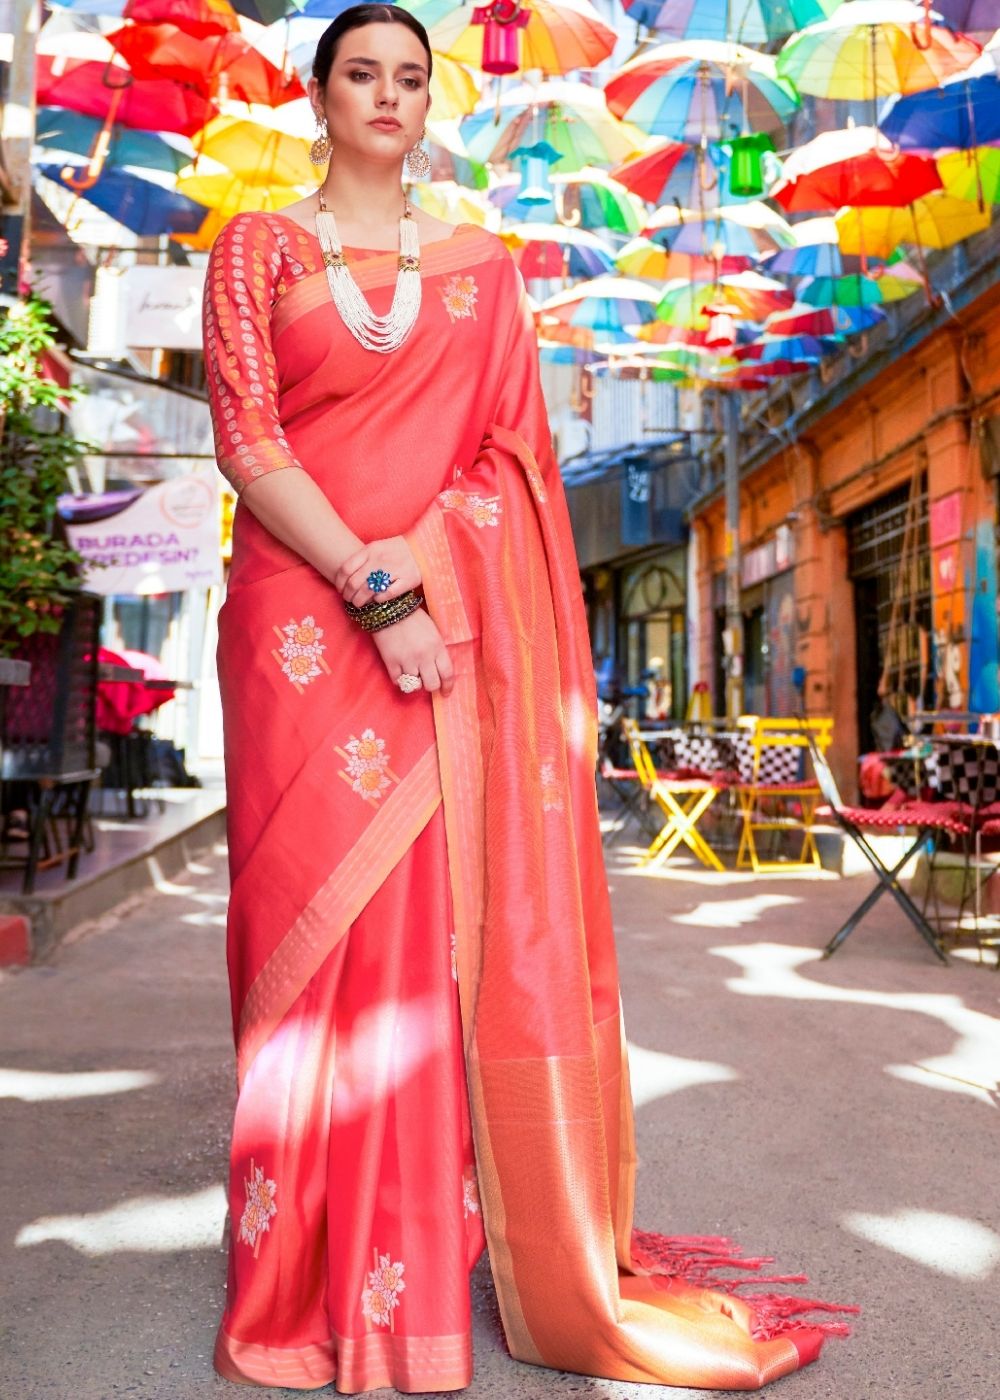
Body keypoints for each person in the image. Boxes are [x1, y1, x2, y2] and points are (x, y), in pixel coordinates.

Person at [203, 5, 853, 1390]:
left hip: (449, 636)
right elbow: (248, 438)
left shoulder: (484, 269)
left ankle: (409, 1259)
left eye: (409, 78)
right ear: (318, 98)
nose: (386, 96)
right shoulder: (257, 249)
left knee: (421, 938)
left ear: (432, 104)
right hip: (301, 635)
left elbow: (512, 464)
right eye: (360, 75)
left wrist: (432, 589)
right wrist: (377, 594)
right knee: (301, 924)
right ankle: (293, 1264)